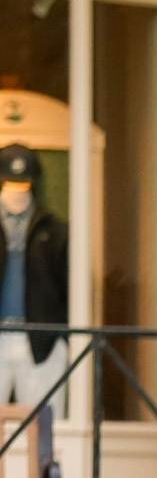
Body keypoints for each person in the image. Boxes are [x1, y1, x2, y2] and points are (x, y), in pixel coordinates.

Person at [0, 143, 68, 407]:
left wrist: (60, 337)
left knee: (42, 430)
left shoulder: (56, 230)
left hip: (41, 341)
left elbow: (68, 286)